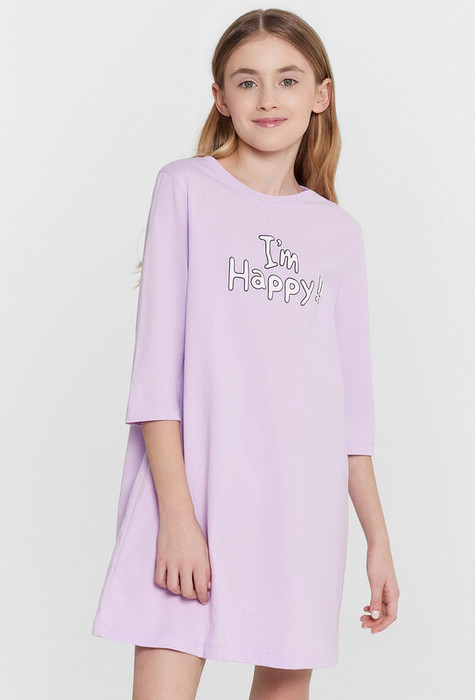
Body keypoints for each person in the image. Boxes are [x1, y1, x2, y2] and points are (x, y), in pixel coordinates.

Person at [92, 8, 399, 699]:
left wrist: (377, 541)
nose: (268, 99)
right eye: (247, 81)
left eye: (287, 79)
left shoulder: (337, 233)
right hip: (190, 498)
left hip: (299, 510)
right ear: (221, 97)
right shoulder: (184, 189)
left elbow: (350, 414)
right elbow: (155, 380)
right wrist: (177, 519)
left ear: (320, 94)